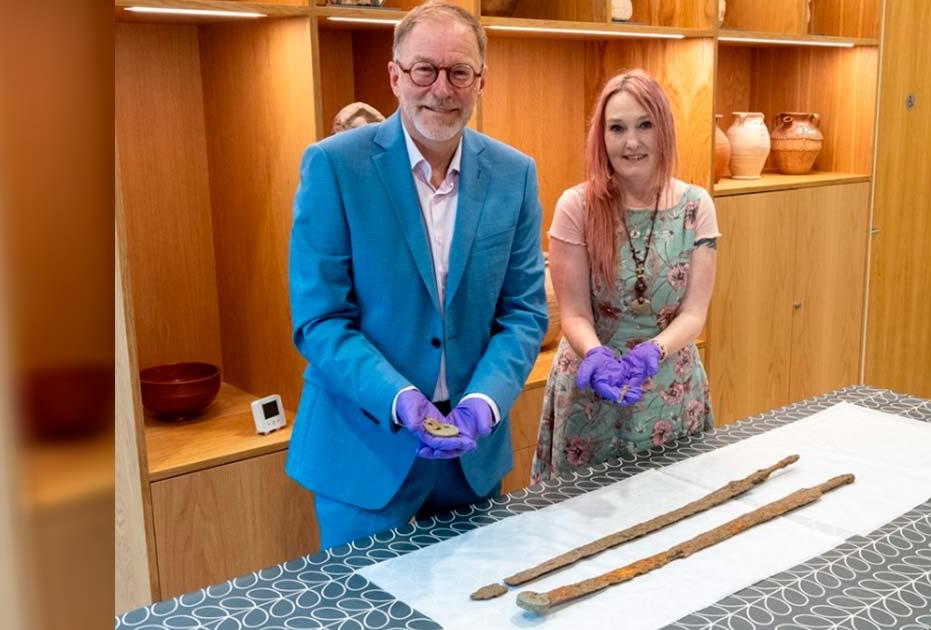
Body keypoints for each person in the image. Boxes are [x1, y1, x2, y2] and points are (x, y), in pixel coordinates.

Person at [286, 0, 547, 549]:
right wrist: (400, 399)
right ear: (395, 76)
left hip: (471, 464)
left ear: (481, 81)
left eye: (459, 73)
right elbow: (320, 320)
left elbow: (523, 313)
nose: (441, 89)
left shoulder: (515, 174)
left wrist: (486, 402)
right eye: (424, 69)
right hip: (364, 455)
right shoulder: (334, 166)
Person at [531, 69, 719, 483]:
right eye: (617, 128)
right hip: (589, 391)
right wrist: (596, 355)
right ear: (602, 136)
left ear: (663, 129)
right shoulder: (576, 206)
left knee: (672, 517)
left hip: (670, 387)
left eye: (644, 125)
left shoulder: (696, 206)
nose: (631, 142)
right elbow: (575, 313)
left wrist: (655, 349)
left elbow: (693, 314)